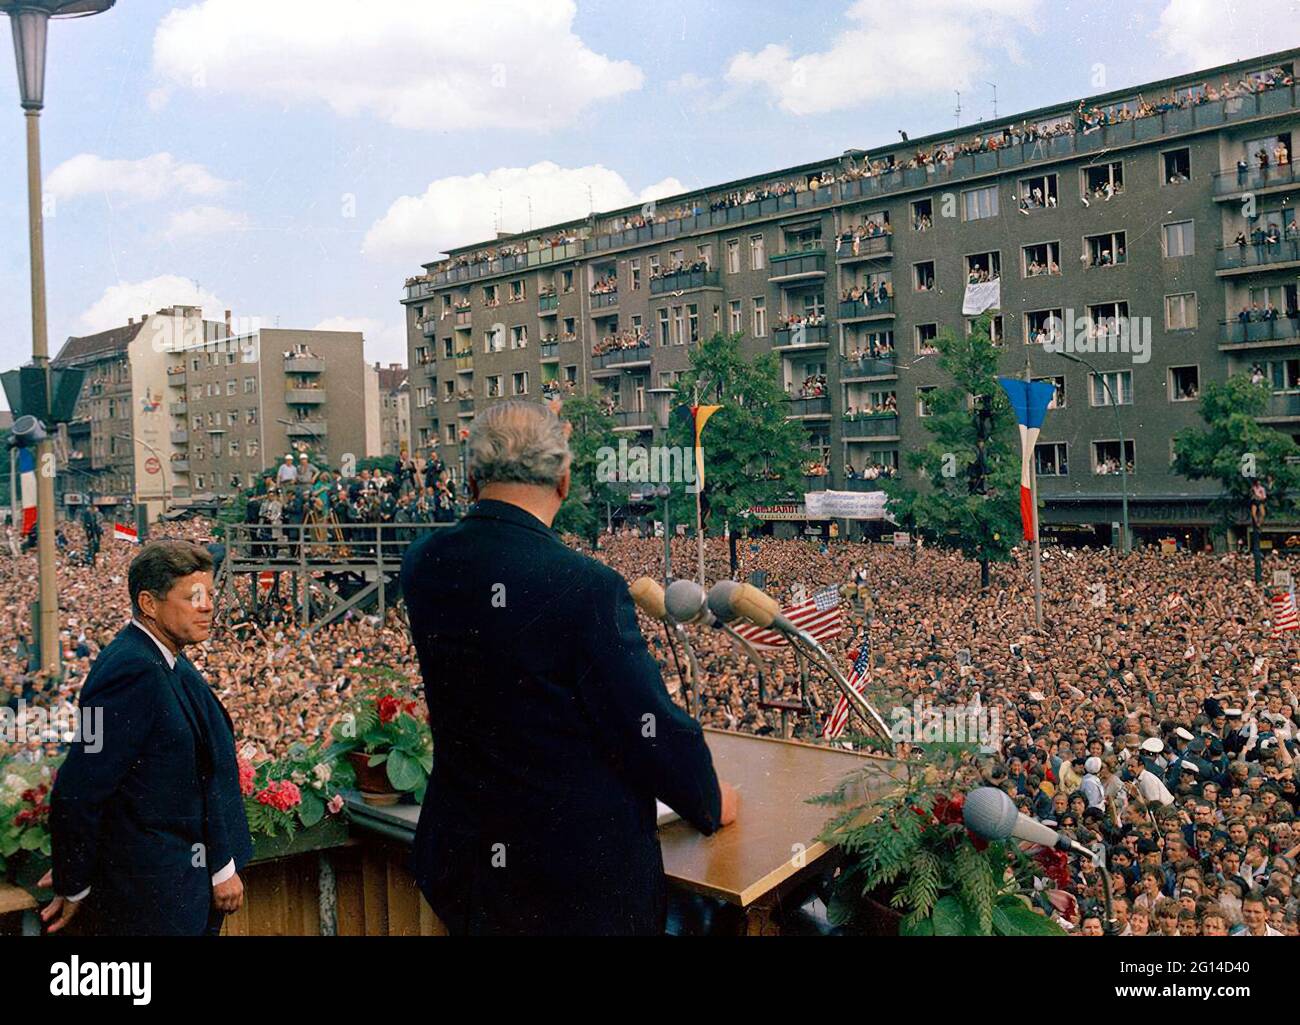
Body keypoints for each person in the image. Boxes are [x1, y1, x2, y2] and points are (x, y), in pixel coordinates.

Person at [401, 399, 736, 935]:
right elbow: (644, 727)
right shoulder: (584, 587)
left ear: (471, 477)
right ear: (563, 479)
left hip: (465, 864)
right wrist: (708, 797)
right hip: (571, 887)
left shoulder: (424, 562)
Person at [43, 541, 252, 935]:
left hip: (178, 891)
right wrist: (74, 880)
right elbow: (80, 786)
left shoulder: (165, 655)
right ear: (149, 604)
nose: (208, 606)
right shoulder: (130, 670)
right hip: (155, 902)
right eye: (193, 597)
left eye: (210, 595)